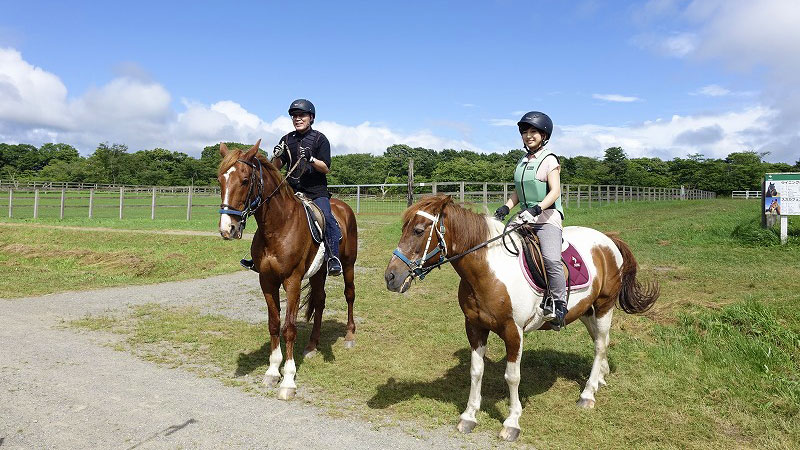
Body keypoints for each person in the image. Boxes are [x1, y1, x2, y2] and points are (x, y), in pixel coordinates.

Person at [241, 99, 343, 276]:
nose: (298, 119)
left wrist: (311, 159)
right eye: (294, 116)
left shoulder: (320, 139)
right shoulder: (287, 139)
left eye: (302, 115)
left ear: (311, 117)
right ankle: (258, 257)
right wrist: (277, 156)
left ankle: (333, 257)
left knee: (326, 217)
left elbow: (325, 168)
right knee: (269, 216)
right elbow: (275, 168)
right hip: (291, 191)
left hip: (315, 192)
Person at [493, 111, 568, 329]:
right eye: (525, 132)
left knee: (551, 259)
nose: (528, 136)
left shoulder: (549, 160)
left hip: (546, 218)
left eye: (533, 131)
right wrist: (505, 208)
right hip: (524, 217)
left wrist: (537, 209)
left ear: (544, 135)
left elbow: (554, 192)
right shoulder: (523, 161)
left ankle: (559, 304)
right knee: (501, 245)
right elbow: (519, 192)